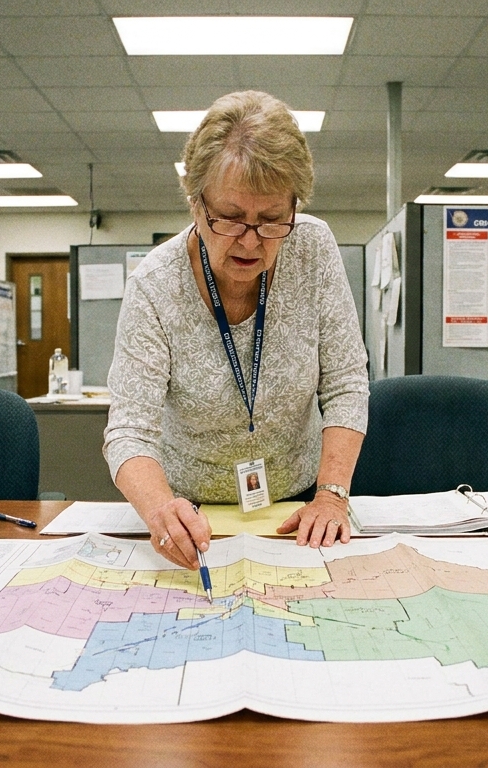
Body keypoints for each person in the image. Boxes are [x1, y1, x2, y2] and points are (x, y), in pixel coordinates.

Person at [104, 90, 370, 570]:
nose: (251, 241)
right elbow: (128, 430)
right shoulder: (154, 284)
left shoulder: (312, 249)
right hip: (190, 513)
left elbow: (346, 382)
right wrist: (161, 509)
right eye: (229, 218)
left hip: (300, 507)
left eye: (271, 220)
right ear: (194, 202)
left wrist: (332, 495)